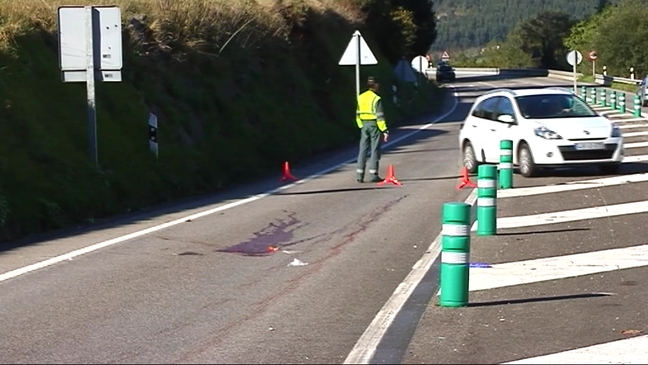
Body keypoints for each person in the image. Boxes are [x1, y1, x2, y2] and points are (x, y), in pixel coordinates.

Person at [355, 76, 389, 183]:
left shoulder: (361, 97)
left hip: (364, 124)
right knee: (375, 150)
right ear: (376, 85)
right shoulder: (376, 98)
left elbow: (357, 113)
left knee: (363, 149)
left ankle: (359, 175)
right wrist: (384, 130)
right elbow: (380, 117)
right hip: (374, 125)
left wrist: (361, 125)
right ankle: (373, 174)